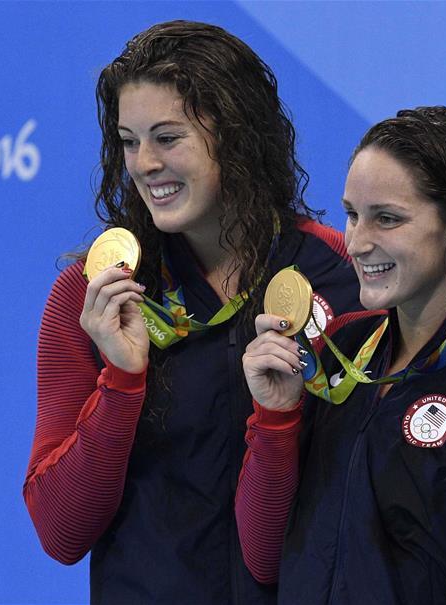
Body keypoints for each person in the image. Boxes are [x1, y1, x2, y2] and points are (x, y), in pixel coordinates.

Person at [23, 20, 360, 604]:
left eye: (167, 137)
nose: (144, 163)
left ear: (235, 135)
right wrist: (123, 384)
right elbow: (60, 532)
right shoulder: (96, 294)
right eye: (129, 141)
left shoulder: (336, 273)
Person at [235, 106, 446, 604]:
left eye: (387, 219)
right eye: (352, 215)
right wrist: (275, 417)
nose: (357, 242)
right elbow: (263, 553)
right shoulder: (337, 351)